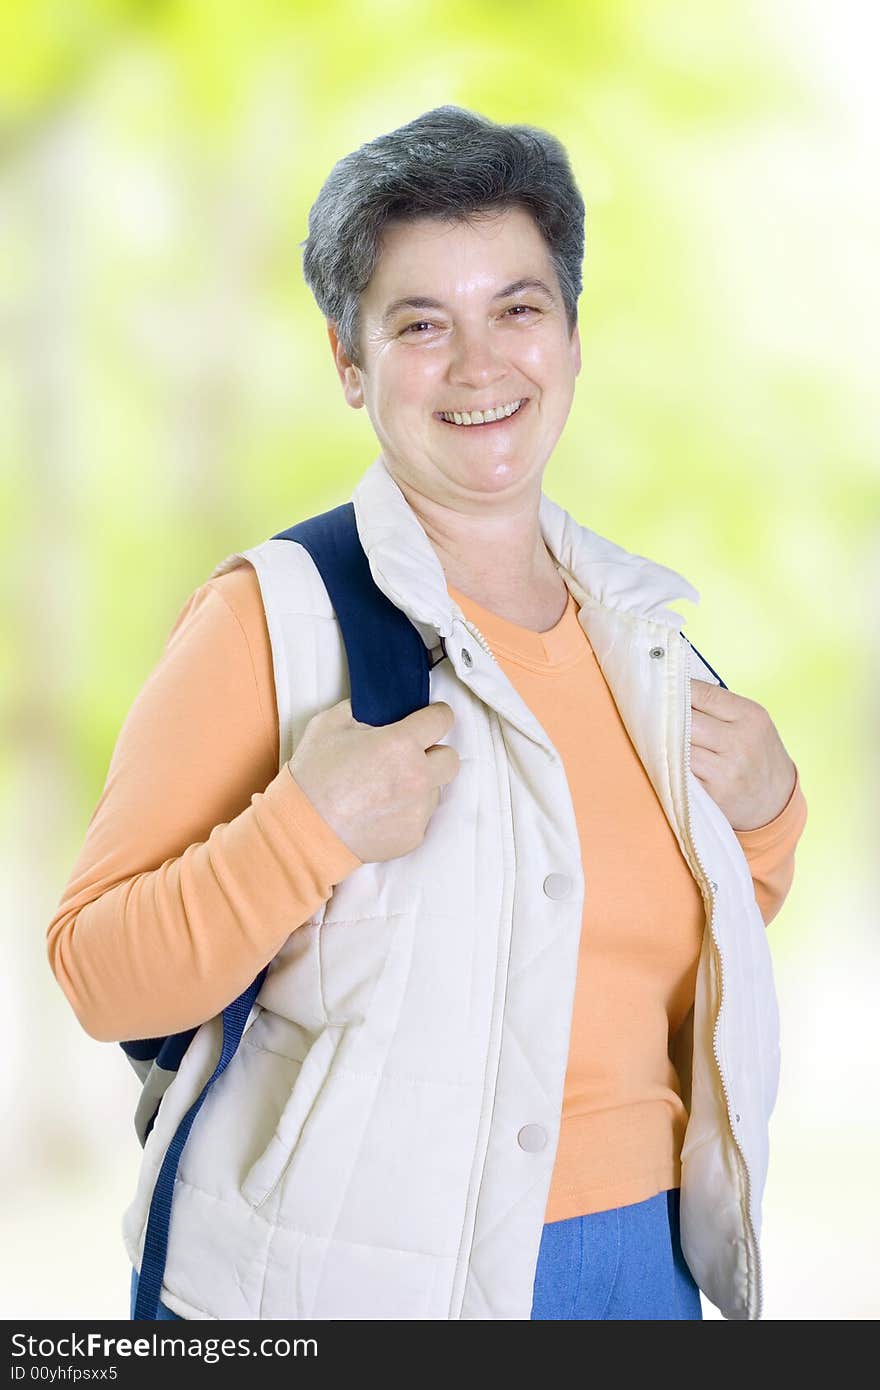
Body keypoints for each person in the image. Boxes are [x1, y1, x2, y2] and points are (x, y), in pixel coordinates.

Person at [47, 105, 807, 1322]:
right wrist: (303, 825)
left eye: (517, 308)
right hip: (347, 1296)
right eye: (418, 324)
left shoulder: (651, 642)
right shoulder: (275, 620)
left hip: (646, 1276)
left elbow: (603, 936)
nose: (479, 365)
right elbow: (98, 976)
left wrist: (767, 820)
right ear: (348, 366)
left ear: (568, 336)